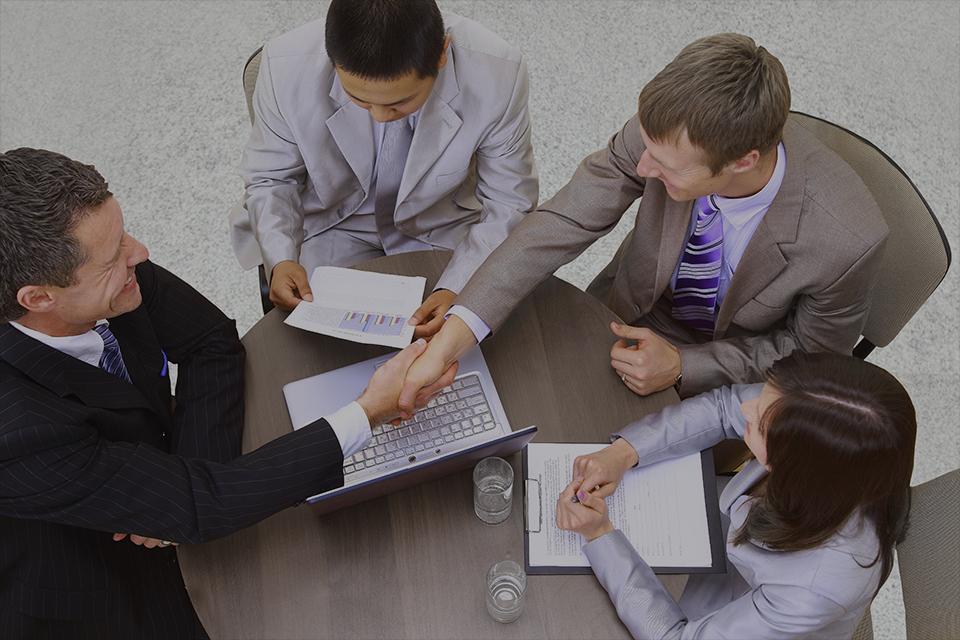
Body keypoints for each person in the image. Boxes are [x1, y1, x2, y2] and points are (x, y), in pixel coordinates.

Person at [0, 148, 455, 639]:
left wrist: (178, 496)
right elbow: (203, 504)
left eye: (124, 234)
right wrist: (369, 411)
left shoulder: (110, 272)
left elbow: (210, 343)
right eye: (115, 256)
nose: (141, 253)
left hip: (169, 493)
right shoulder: (20, 432)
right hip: (99, 586)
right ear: (39, 298)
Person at [397, 33, 887, 412]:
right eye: (646, 150)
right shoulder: (664, 132)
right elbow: (563, 221)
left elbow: (811, 358)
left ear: (742, 161)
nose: (644, 168)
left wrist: (683, 367)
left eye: (666, 167)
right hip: (624, 308)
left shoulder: (844, 241)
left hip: (729, 368)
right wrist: (459, 330)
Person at [555, 351, 915, 638]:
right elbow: (722, 405)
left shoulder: (814, 587)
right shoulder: (815, 417)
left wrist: (600, 536)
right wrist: (625, 452)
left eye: (758, 422)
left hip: (743, 608)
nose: (746, 407)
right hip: (724, 537)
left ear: (796, 469)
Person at [232, 0, 538, 335]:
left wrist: (457, 286)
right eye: (359, 99)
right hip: (330, 226)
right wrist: (282, 258)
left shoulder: (499, 74)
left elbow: (509, 201)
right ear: (332, 61)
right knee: (319, 353)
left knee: (477, 341)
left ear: (441, 55)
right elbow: (272, 178)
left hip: (441, 226)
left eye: (399, 103)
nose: (379, 116)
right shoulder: (283, 68)